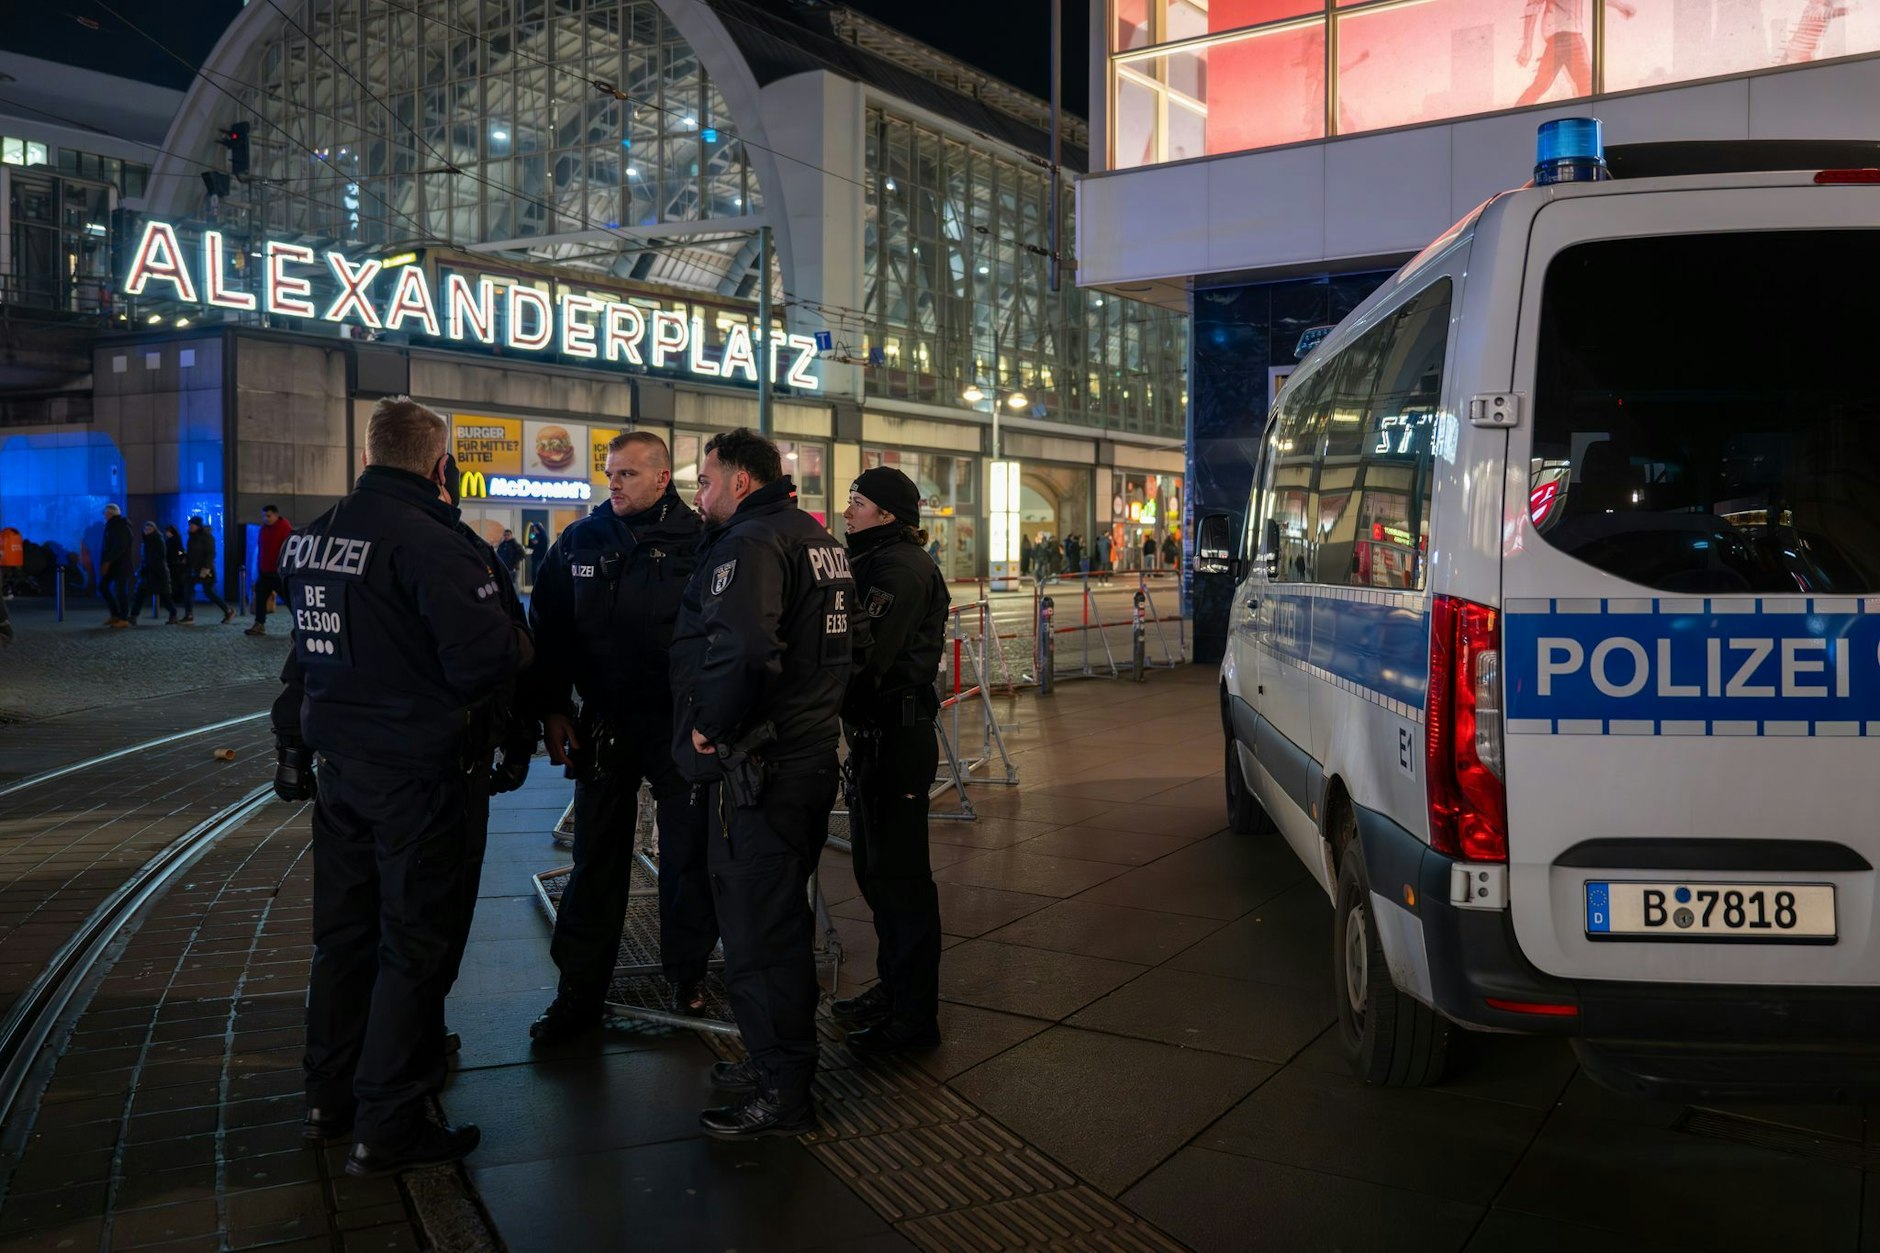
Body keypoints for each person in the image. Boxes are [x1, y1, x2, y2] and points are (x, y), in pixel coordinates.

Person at [269, 396, 528, 1178]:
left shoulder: (313, 541)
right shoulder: (435, 545)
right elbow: (488, 662)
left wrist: (296, 737)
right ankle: (389, 1120)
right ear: (439, 464)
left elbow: (305, 653)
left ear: (368, 456)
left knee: (343, 939)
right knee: (413, 946)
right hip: (418, 776)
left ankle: (329, 1098)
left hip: (341, 771)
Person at [670, 428, 853, 1139]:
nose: (700, 493)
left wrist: (709, 725)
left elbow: (744, 646)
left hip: (763, 765)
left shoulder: (751, 542)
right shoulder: (813, 535)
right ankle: (773, 1059)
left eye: (707, 480)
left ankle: (783, 1088)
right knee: (775, 918)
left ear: (741, 481)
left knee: (760, 929)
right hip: (801, 756)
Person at [526, 431, 718, 1044]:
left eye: (629, 474)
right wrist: (553, 709)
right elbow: (548, 631)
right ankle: (578, 992)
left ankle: (687, 976)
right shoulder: (581, 539)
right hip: (603, 722)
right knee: (595, 859)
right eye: (610, 474)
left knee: (687, 857)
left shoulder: (703, 540)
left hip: (677, 725)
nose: (614, 484)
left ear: (663, 478)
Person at [831, 468, 949, 1054]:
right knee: (876, 874)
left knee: (901, 883)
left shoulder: (898, 568)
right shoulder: (874, 560)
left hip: (897, 738)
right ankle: (895, 989)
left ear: (886, 514)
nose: (847, 511)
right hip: (878, 737)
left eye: (857, 503)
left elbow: (867, 657)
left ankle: (913, 1019)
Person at [247, 504, 294, 637]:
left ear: (276, 515)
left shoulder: (285, 528)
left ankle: (301, 625)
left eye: (268, 515)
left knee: (289, 600)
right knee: (260, 598)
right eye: (264, 516)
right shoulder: (263, 530)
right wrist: (260, 569)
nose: (266, 518)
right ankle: (259, 624)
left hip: (279, 573)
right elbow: (262, 550)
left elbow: (288, 550)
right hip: (265, 572)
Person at [184, 517, 234, 624]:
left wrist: (206, 568)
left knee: (209, 592)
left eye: (192, 525)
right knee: (188, 590)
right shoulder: (191, 537)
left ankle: (228, 610)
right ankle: (189, 615)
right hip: (193, 569)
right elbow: (191, 554)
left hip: (205, 570)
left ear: (198, 526)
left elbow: (210, 553)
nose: (190, 527)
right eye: (190, 525)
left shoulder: (206, 537)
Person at [130, 521, 178, 625]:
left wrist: (147, 567)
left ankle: (173, 614)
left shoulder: (158, 541)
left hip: (158, 573)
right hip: (148, 573)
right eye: (146, 529)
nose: (147, 531)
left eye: (150, 529)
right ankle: (133, 616)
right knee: (140, 594)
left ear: (154, 530)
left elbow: (159, 557)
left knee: (165, 597)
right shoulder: (145, 542)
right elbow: (145, 558)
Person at [98, 504, 134, 628]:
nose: (104, 515)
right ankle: (116, 615)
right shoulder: (114, 525)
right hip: (115, 564)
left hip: (119, 565)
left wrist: (107, 561)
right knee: (104, 587)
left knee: (120, 591)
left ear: (109, 513)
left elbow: (119, 547)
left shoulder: (119, 526)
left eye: (105, 513)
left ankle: (123, 618)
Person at [163, 525, 191, 619]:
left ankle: (178, 599)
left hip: (174, 564)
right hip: (174, 563)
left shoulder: (173, 540)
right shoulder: (174, 539)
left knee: (176, 582)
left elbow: (179, 550)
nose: (167, 533)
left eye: (168, 531)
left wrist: (180, 556)